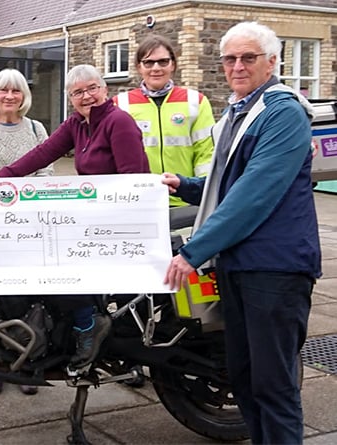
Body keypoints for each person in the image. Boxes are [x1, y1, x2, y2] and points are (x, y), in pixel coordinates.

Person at [162, 22, 321, 444]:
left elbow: (254, 194)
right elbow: (230, 180)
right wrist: (185, 184)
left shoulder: (282, 112)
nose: (237, 66)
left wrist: (194, 251)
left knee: (275, 384)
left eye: (248, 57)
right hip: (239, 263)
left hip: (275, 268)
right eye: (230, 58)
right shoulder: (239, 110)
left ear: (272, 61)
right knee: (246, 377)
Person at [0, 64, 149, 371]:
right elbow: (42, 153)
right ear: (70, 97)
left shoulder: (118, 122)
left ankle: (87, 324)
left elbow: (133, 182)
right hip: (96, 218)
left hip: (122, 222)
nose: (87, 96)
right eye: (78, 92)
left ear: (105, 90)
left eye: (92, 88)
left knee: (56, 264)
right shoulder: (78, 124)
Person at [0, 68, 51, 395]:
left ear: (23, 96)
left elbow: (46, 171)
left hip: (30, 222)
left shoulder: (36, 128)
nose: (9, 96)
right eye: (3, 90)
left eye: (15, 91)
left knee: (31, 296)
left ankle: (27, 362)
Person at [113, 34, 215, 207]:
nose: (156, 68)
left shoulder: (195, 101)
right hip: (138, 201)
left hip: (185, 201)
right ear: (139, 67)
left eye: (163, 62)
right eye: (149, 62)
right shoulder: (120, 104)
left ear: (173, 65)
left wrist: (199, 190)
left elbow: (206, 153)